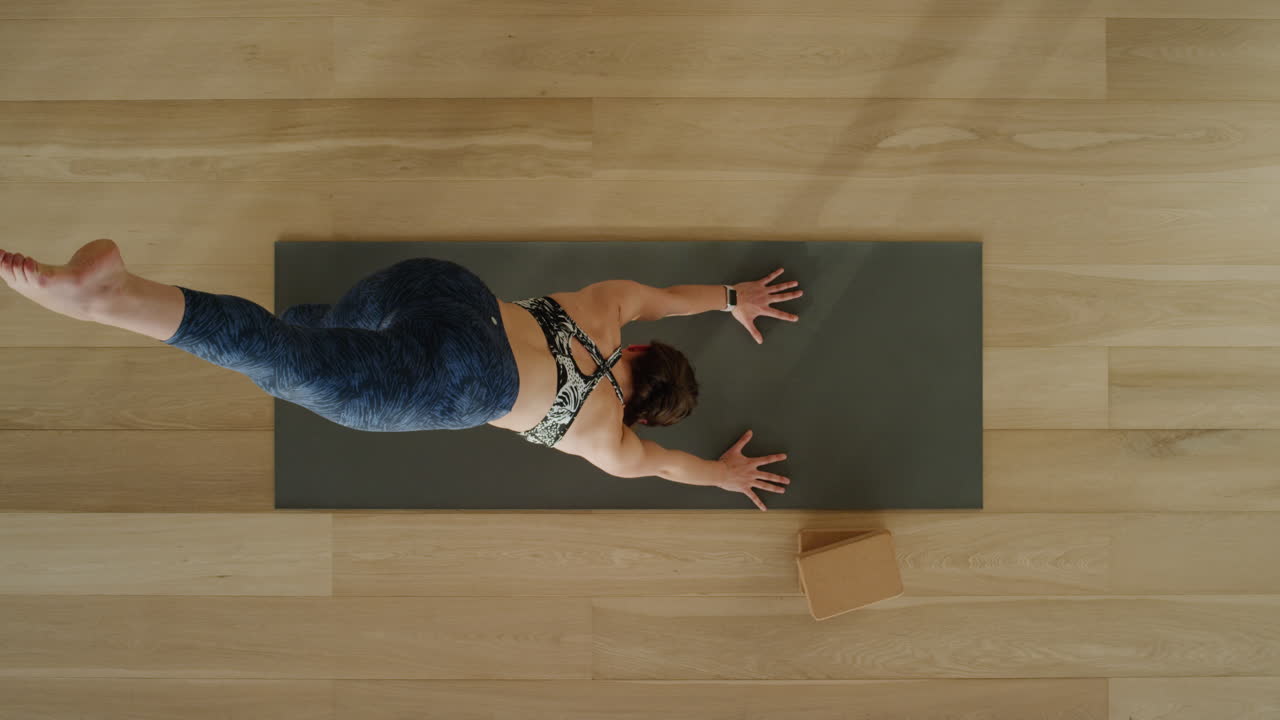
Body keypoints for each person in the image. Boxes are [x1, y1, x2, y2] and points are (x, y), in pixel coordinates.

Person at [0, 239, 803, 510]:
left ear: (637, 355)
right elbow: (674, 469)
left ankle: (295, 326)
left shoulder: (608, 310)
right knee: (289, 366)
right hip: (461, 376)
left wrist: (734, 299)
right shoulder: (611, 443)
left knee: (333, 326)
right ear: (643, 409)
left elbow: (666, 298)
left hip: (449, 291)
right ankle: (115, 295)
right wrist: (728, 478)